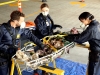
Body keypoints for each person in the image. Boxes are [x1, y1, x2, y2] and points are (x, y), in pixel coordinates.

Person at [0, 10, 46, 75]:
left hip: (14, 56)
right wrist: (7, 48)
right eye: (21, 21)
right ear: (15, 21)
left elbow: (31, 36)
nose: (23, 22)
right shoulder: (2, 29)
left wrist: (41, 44)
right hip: (3, 59)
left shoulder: (20, 29)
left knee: (15, 73)